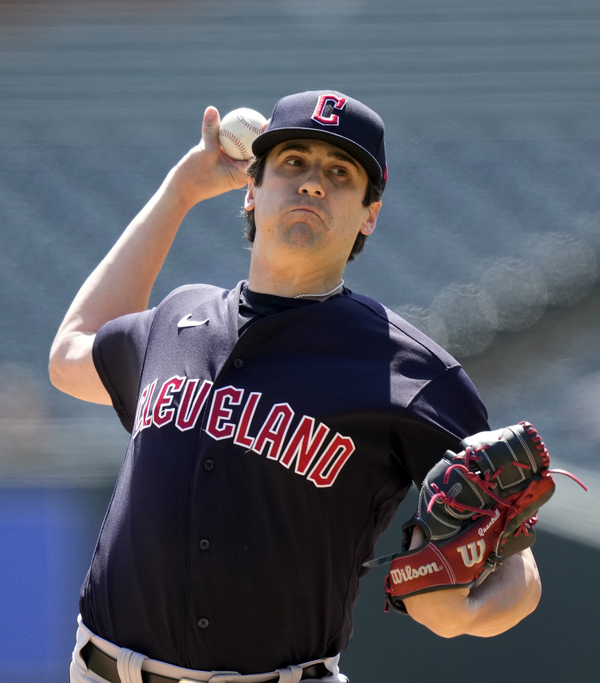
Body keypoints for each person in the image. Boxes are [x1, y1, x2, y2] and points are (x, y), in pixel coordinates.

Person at [49, 90, 542, 683]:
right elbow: (70, 354)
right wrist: (179, 193)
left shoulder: (405, 370)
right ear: (252, 189)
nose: (312, 183)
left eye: (339, 172)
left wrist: (465, 614)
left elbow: (520, 569)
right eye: (293, 162)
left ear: (369, 214)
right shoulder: (179, 319)